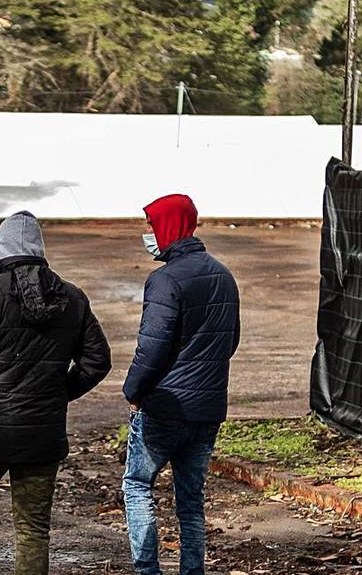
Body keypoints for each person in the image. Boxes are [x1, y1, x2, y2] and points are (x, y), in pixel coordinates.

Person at [0, 211, 112, 575]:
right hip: (41, 434)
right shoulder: (73, 298)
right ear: (39, 247)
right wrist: (56, 394)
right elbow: (97, 361)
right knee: (34, 529)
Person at [121, 194, 241, 575]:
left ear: (168, 227)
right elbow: (231, 340)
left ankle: (147, 570)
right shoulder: (223, 274)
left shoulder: (164, 280)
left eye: (151, 226)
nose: (148, 234)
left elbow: (152, 348)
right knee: (191, 500)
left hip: (165, 406)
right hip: (208, 409)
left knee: (137, 487)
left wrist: (133, 391)